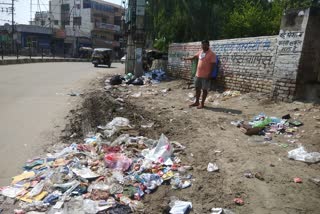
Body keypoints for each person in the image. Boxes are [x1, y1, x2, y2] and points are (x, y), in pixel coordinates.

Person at [183, 40, 216, 109]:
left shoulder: (212, 54)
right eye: (202, 45)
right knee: (197, 88)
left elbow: (213, 65)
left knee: (204, 90)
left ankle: (202, 104)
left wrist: (209, 75)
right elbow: (194, 57)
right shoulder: (200, 52)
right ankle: (197, 102)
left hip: (206, 76)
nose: (203, 46)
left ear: (208, 45)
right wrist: (185, 58)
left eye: (205, 45)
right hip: (198, 75)